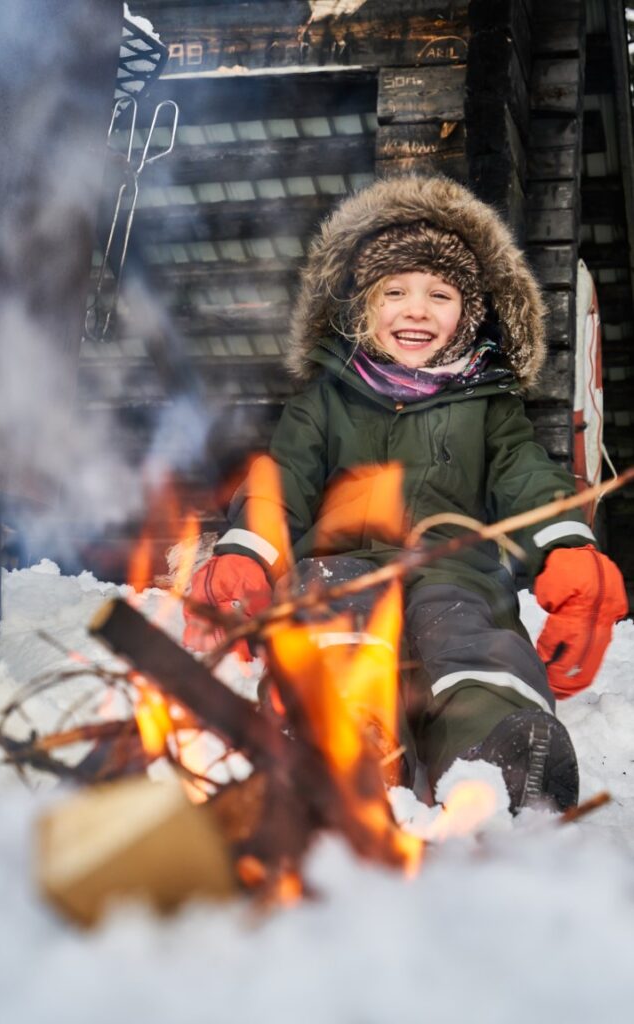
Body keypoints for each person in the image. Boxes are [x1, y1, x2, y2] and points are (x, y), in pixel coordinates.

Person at [183, 175, 627, 812]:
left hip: (454, 571)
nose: (415, 310)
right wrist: (248, 551)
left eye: (439, 294)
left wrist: (568, 547)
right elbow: (283, 479)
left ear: (469, 313)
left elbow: (527, 474)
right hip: (339, 566)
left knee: (470, 638)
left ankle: (499, 747)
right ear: (363, 306)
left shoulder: (488, 405)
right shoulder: (325, 400)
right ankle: (341, 738)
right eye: (394, 292)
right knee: (331, 614)